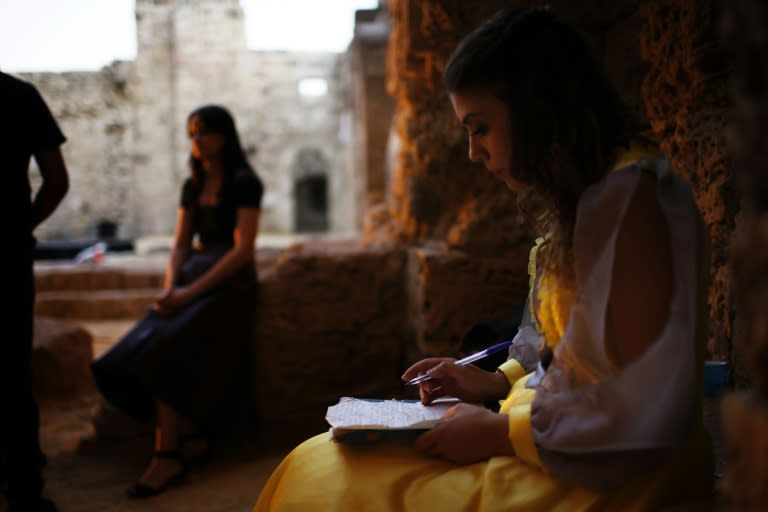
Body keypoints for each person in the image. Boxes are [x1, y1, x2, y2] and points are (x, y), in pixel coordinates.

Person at [253, 6, 714, 511]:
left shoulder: (629, 202)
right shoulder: (591, 197)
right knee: (318, 461)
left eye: (482, 127)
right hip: (550, 440)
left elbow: (646, 406)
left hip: (605, 478)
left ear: (537, 109)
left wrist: (499, 433)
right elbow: (571, 356)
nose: (474, 152)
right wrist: (495, 380)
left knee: (324, 481)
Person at [91, 104, 263, 499]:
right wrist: (171, 289)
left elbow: (242, 251)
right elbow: (181, 243)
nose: (196, 141)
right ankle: (189, 435)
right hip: (190, 280)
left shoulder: (244, 182)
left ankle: (167, 453)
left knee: (164, 351)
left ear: (224, 135)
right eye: (191, 133)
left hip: (228, 284)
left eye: (203, 131)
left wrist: (188, 293)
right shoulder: (193, 184)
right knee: (128, 352)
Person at [0, 71, 70, 512]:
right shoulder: (18, 96)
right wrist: (19, 227)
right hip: (6, 258)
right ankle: (25, 489)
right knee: (12, 375)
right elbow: (56, 180)